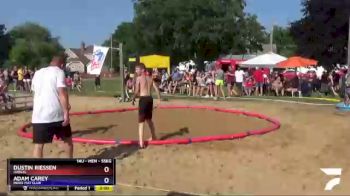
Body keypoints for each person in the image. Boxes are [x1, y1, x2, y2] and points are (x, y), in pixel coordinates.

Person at [31, 55, 73, 158]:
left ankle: (38, 171)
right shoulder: (59, 72)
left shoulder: (37, 73)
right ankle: (69, 166)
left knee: (38, 146)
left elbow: (35, 92)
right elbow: (62, 93)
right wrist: (66, 112)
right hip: (56, 114)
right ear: (62, 65)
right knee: (67, 141)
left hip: (39, 115)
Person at [132, 63, 161, 148]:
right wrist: (159, 99)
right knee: (149, 119)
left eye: (137, 69)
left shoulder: (139, 78)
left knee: (141, 122)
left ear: (143, 70)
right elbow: (156, 89)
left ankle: (141, 143)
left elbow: (137, 91)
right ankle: (154, 136)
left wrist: (133, 98)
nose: (136, 71)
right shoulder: (150, 78)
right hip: (150, 99)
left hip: (143, 99)